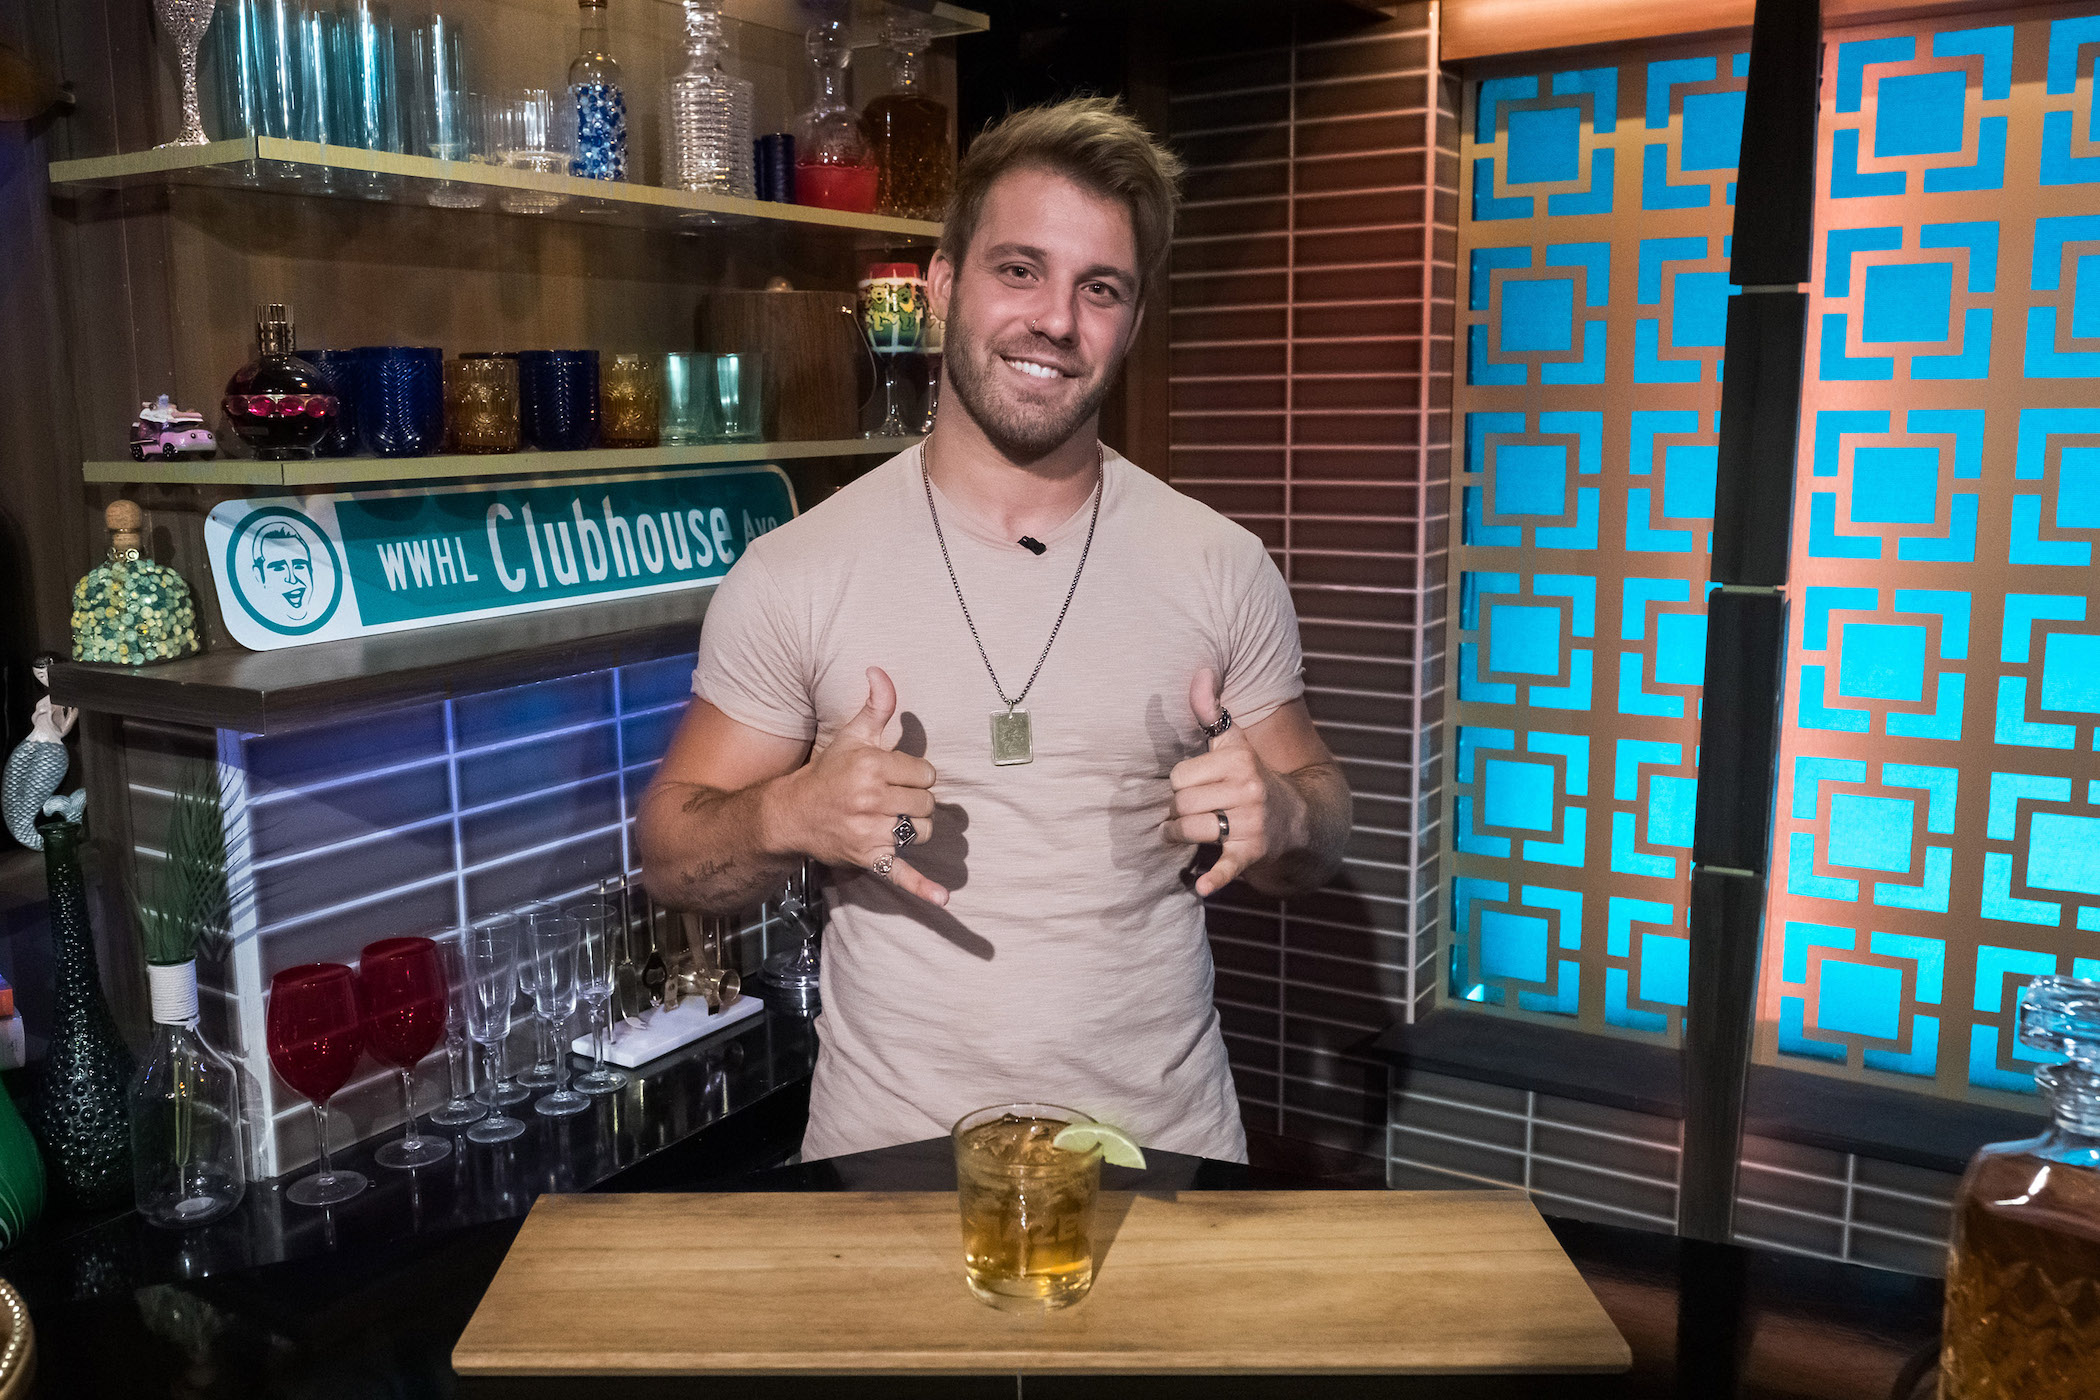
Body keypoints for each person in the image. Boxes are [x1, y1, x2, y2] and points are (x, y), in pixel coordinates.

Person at [637, 97, 1351, 1163]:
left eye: (1100, 288)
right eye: (1020, 269)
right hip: (891, 1164)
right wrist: (791, 812)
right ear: (942, 286)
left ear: (1131, 321)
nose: (1056, 320)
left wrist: (1282, 813)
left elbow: (1319, 826)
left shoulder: (1220, 563)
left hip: (1160, 1156)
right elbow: (669, 856)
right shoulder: (797, 571)